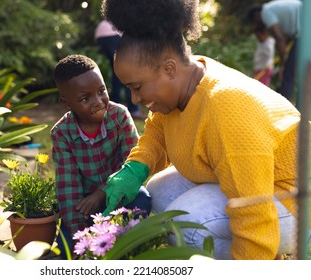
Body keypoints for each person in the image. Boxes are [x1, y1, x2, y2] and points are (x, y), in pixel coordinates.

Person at [101, 0, 308, 260]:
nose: (133, 99)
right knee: (160, 192)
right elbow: (158, 131)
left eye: (138, 87)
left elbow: (253, 210)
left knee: (184, 227)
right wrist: (136, 168)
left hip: (294, 199)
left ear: (169, 68)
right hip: (250, 178)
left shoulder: (227, 110)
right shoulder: (187, 77)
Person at [51, 54, 151, 258]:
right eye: (85, 98)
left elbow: (131, 164)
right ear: (66, 102)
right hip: (85, 207)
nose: (98, 102)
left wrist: (102, 193)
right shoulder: (61, 133)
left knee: (142, 198)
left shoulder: (120, 116)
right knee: (66, 252)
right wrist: (80, 234)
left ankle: (122, 244)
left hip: (120, 196)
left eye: (101, 91)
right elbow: (68, 188)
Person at [247, 0, 302, 102]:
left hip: (305, 32)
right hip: (303, 30)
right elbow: (286, 39)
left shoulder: (265, 12)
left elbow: (280, 38)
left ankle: (284, 108)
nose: (257, 24)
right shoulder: (272, 8)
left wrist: (282, 66)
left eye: (255, 22)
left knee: (288, 74)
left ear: (256, 16)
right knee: (295, 70)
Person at [94, 19, 146, 120]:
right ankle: (133, 110)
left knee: (116, 71)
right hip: (112, 34)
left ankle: (115, 109)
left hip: (100, 34)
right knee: (126, 71)